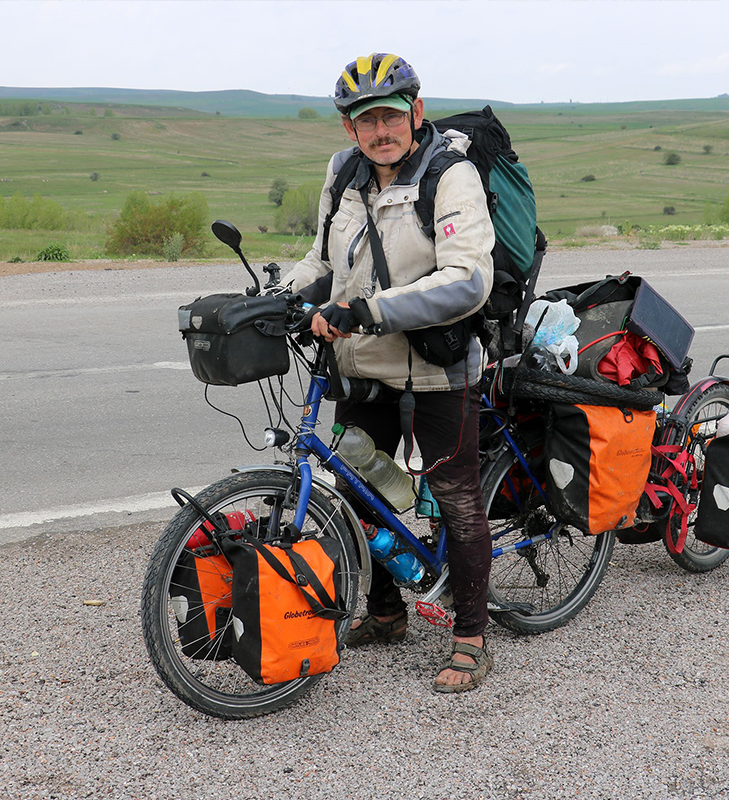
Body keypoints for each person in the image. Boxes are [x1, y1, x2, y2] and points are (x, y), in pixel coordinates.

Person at [280, 53, 496, 693]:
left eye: (391, 116)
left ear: (416, 113)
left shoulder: (450, 176)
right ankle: (385, 613)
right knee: (356, 489)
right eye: (366, 120)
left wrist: (366, 310)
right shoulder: (343, 174)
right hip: (361, 364)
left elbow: (467, 281)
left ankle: (472, 638)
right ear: (349, 128)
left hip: (437, 366)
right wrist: (280, 297)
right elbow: (324, 261)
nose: (381, 131)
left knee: (456, 496)